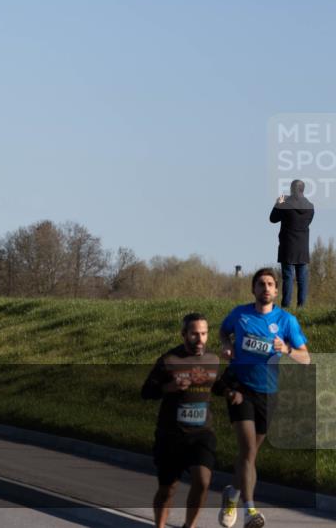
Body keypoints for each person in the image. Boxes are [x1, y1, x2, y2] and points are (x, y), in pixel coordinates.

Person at [217, 268, 311, 528]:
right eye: (261, 284)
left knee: (250, 456)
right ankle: (250, 511)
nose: (266, 288)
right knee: (247, 450)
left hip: (268, 393)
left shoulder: (286, 321)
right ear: (253, 289)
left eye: (270, 284)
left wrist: (288, 349)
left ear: (277, 291)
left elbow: (306, 358)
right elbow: (223, 332)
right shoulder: (240, 314)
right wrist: (225, 344)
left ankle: (232, 495)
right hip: (240, 388)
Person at [142, 313, 227, 528]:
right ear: (184, 335)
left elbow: (216, 384)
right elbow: (146, 392)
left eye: (204, 334)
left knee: (203, 481)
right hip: (171, 433)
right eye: (194, 334)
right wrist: (168, 388)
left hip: (201, 433)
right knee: (167, 488)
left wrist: (230, 392)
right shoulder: (169, 360)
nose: (200, 340)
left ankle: (189, 526)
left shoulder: (213, 360)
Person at [269, 180, 314, 309]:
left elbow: (272, 219)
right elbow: (308, 222)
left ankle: (286, 305)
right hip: (302, 247)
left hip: (288, 246)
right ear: (303, 190)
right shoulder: (310, 206)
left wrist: (278, 204)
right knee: (302, 279)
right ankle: (301, 306)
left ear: (292, 189)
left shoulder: (286, 205)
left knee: (288, 277)